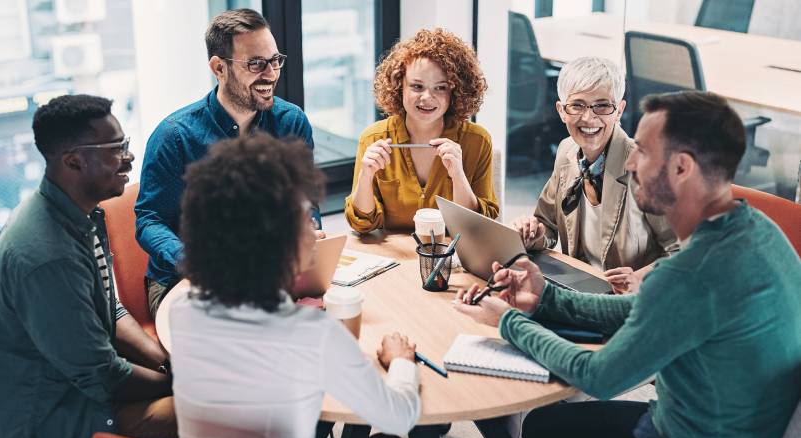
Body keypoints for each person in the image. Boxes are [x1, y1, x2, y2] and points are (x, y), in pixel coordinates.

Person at [453, 91, 801, 438]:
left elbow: (598, 376)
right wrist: (544, 298)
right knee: (544, 427)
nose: (630, 162)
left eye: (643, 152)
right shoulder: (757, 229)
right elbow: (644, 308)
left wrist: (509, 321)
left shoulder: (691, 274)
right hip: (703, 430)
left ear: (681, 168)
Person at [169, 133, 421, 438]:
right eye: (304, 217)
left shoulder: (183, 310)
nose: (314, 228)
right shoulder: (313, 334)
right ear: (275, 238)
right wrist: (402, 362)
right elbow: (399, 416)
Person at [0, 95, 177, 438]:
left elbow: (109, 309)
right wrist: (182, 383)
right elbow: (103, 376)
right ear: (73, 161)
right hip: (57, 432)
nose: (130, 157)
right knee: (218, 412)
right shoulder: (48, 256)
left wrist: (165, 362)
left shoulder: (74, 214)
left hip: (78, 392)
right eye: (117, 148)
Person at [136, 8, 318, 318]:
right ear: (219, 68)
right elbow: (149, 221)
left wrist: (309, 229)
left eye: (275, 60)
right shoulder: (174, 136)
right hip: (183, 281)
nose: (271, 74)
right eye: (256, 63)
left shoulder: (292, 122)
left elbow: (306, 201)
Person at [510, 57, 677, 294]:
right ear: (561, 111)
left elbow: (686, 251)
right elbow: (547, 225)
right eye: (577, 105)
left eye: (602, 106)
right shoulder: (566, 151)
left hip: (629, 300)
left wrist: (641, 279)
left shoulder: (648, 168)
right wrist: (532, 233)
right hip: (577, 289)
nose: (588, 118)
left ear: (619, 111)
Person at [345, 28, 498, 233]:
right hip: (394, 252)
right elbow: (362, 224)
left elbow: (478, 227)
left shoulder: (477, 141)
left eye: (440, 87)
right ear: (399, 86)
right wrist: (366, 175)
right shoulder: (373, 138)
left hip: (451, 252)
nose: (427, 97)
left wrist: (458, 175)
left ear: (455, 91)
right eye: (417, 86)